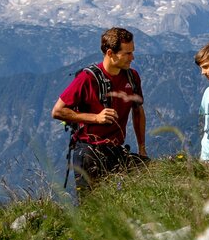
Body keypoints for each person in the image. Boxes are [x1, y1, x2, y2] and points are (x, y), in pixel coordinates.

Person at [51, 27, 147, 203]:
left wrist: (142, 147)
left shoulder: (132, 77)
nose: (132, 58)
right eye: (127, 53)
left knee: (137, 194)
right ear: (110, 53)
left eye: (132, 52)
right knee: (92, 209)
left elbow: (138, 110)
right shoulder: (87, 78)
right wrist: (95, 118)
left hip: (116, 150)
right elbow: (57, 111)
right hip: (89, 152)